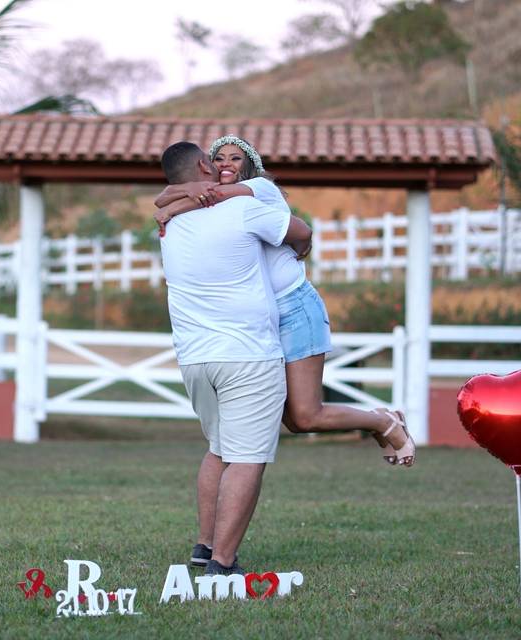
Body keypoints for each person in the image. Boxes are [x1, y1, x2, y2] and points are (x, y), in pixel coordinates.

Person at [154, 135, 415, 468]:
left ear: (249, 165)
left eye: (235, 159)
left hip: (294, 308)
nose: (225, 165)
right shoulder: (216, 204)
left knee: (306, 416)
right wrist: (175, 198)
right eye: (218, 159)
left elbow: (179, 199)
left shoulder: (259, 190)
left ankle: (385, 421)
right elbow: (166, 199)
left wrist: (173, 202)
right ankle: (380, 421)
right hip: (263, 320)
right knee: (293, 420)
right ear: (206, 166)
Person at [159, 141, 313, 575]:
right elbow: (299, 232)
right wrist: (302, 249)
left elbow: (165, 201)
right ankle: (222, 565)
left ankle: (205, 547)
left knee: (219, 451)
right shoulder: (242, 209)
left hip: (194, 358)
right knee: (247, 458)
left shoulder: (170, 224)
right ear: (207, 165)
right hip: (247, 355)